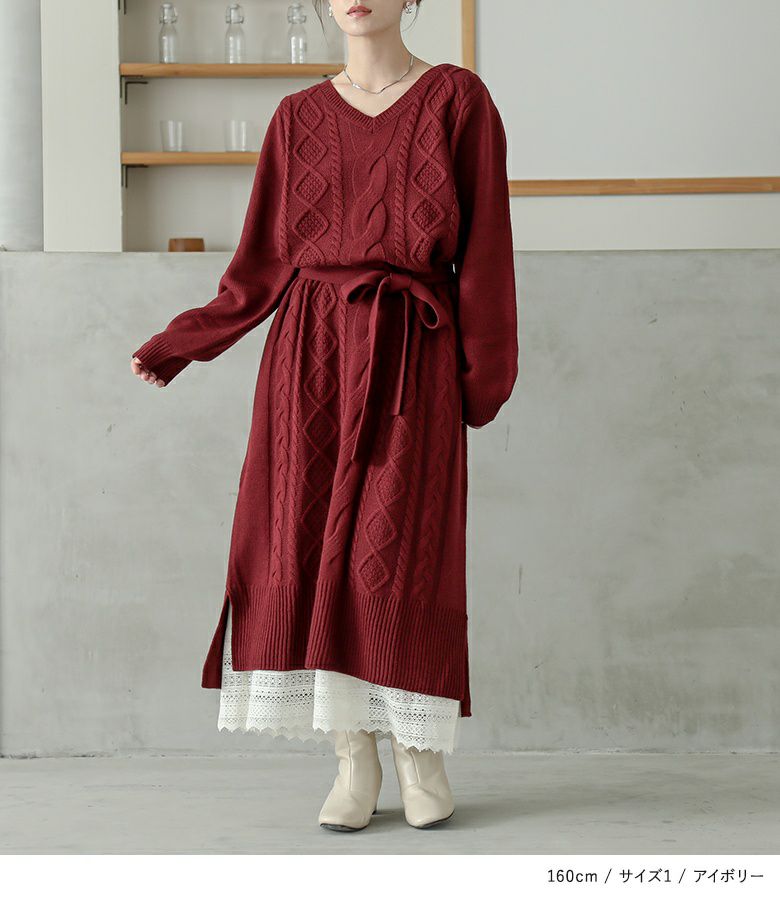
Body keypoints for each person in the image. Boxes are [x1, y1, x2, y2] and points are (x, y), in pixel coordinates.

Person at [130, 0, 517, 832]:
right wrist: (184, 341)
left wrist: (480, 381)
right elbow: (260, 264)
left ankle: (419, 755)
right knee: (307, 548)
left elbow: (486, 253)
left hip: (411, 355)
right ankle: (352, 756)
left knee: (399, 555)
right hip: (307, 359)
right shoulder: (296, 116)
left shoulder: (458, 100)